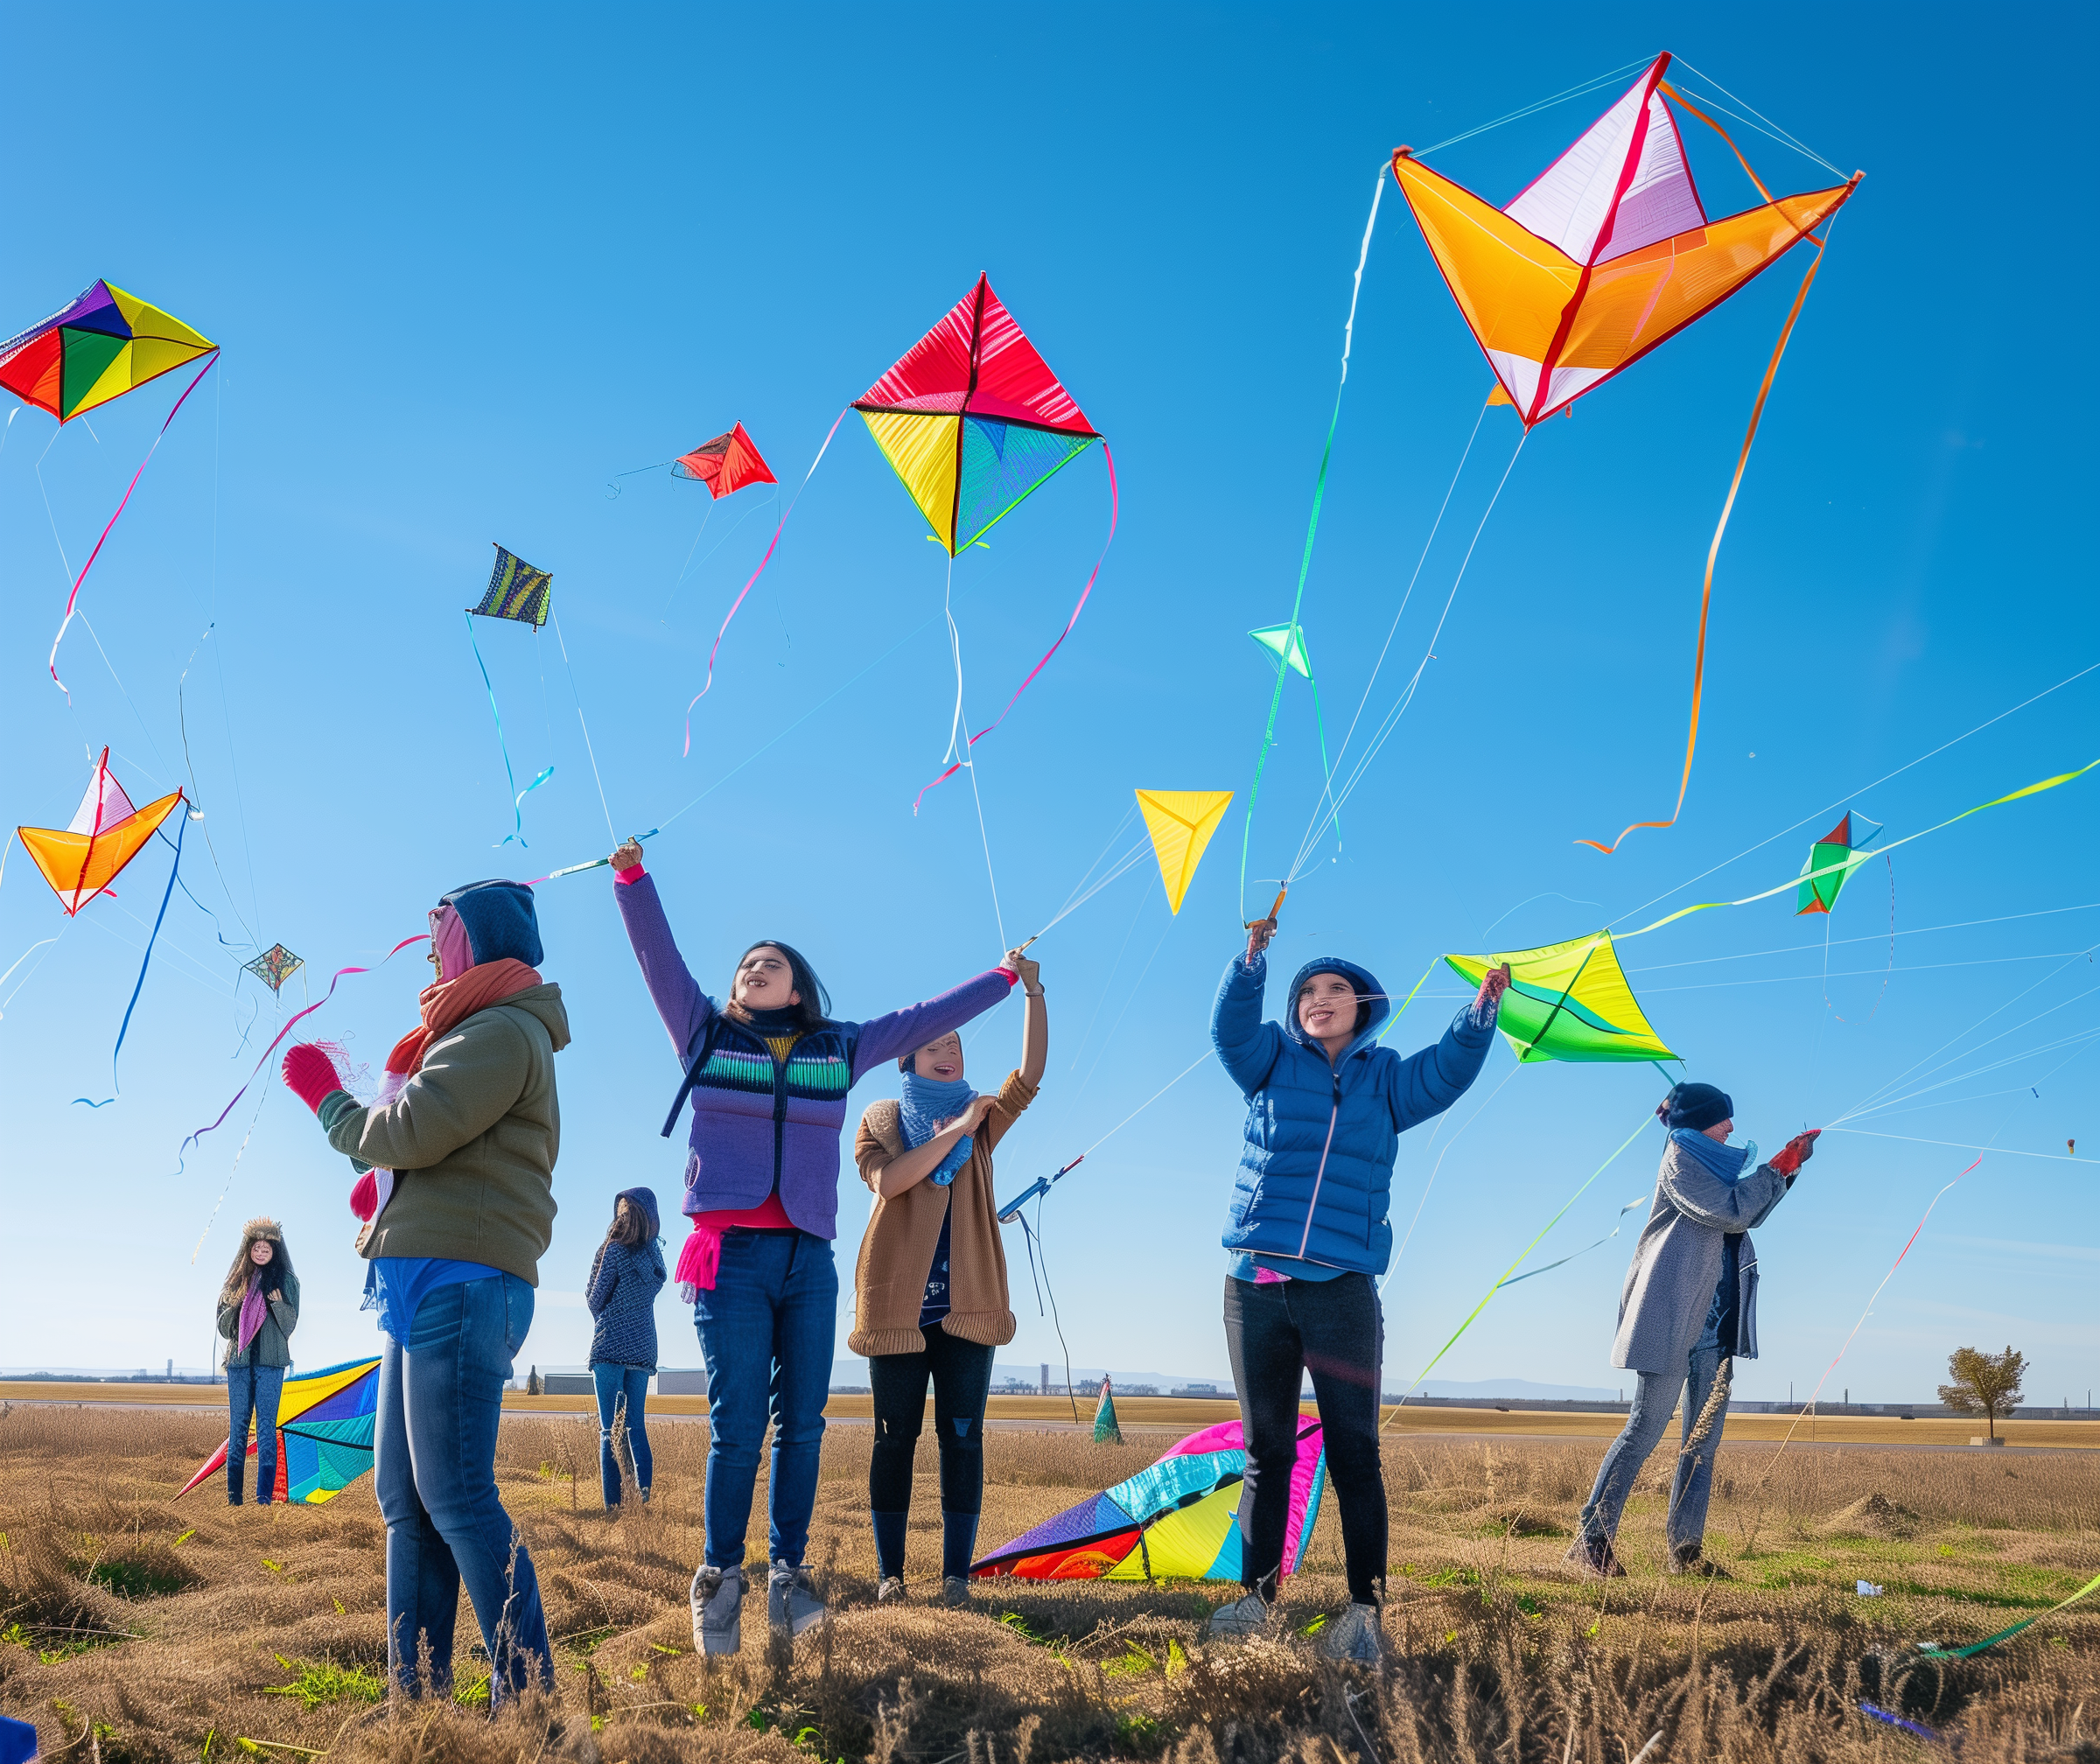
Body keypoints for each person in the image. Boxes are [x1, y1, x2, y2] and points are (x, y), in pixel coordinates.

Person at [609, 836, 1021, 1655]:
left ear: (798, 983)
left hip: (809, 1262)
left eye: (768, 964)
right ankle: (719, 1577)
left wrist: (1003, 980)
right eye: (744, 967)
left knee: (804, 1424)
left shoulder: (839, 1048)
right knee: (738, 1427)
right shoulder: (704, 1036)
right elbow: (659, 957)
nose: (752, 972)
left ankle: (787, 1575)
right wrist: (632, 879)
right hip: (729, 1256)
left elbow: (925, 1018)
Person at [277, 878, 565, 1703]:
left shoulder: (502, 1030)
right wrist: (392, 1195)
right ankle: (418, 1700)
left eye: (442, 919)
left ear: (475, 936)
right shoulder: (468, 1030)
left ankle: (530, 1702)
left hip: (463, 1285)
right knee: (405, 1498)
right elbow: (438, 1152)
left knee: (459, 1497)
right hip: (422, 1283)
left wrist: (329, 1103)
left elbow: (411, 1129)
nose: (429, 931)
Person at [1208, 914, 1511, 1662]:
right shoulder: (1269, 1060)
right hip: (1255, 1288)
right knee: (1265, 1451)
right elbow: (1229, 1032)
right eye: (1308, 989)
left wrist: (1479, 1014)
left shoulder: (1387, 1080)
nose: (1319, 997)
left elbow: (1445, 1072)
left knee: (1354, 1453)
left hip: (1341, 1292)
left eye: (1336, 988)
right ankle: (1255, 1601)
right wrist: (1251, 963)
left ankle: (1364, 1615)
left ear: (1365, 1005)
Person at [850, 952, 1047, 1607]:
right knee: (893, 1437)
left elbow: (1032, 1076)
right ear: (905, 1059)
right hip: (897, 1307)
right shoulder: (880, 1120)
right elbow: (892, 1180)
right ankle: (892, 1576)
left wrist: (1032, 994)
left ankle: (957, 1578)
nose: (946, 1052)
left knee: (963, 1436)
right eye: (932, 1044)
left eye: (955, 1044)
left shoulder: (983, 1117)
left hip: (968, 1304)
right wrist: (955, 1132)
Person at [1569, 1083, 1817, 1578]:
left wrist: (1786, 1172)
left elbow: (1751, 1215)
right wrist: (1776, 1168)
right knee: (1645, 1429)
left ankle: (1685, 1553)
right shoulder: (1680, 1158)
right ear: (1702, 1121)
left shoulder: (1715, 1168)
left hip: (1717, 1323)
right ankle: (1591, 1541)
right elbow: (1731, 1211)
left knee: (1700, 1443)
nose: (1731, 1129)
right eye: (1724, 1120)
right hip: (1671, 1316)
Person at [587, 1187, 668, 1509]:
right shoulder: (654, 1257)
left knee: (610, 1431)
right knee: (636, 1427)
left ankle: (614, 1506)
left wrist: (601, 1255)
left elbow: (595, 1299)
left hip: (610, 1346)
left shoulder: (614, 1250)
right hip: (643, 1347)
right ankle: (641, 1502)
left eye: (622, 1210)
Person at [216, 1218, 300, 1506]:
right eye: (257, 1246)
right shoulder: (235, 1282)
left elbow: (289, 1326)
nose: (262, 1251)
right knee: (237, 1428)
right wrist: (238, 1303)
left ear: (275, 1251)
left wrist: (277, 1304)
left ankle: (263, 1498)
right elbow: (224, 1328)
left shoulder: (287, 1282)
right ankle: (233, 1500)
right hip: (239, 1365)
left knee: (267, 1428)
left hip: (271, 1364)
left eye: (267, 1247)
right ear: (249, 1249)